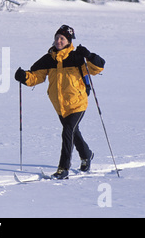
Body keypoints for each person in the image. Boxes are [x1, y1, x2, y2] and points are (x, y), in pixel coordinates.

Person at [15, 25, 105, 179]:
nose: (58, 41)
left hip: (78, 102)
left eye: (62, 38)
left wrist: (89, 55)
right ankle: (86, 155)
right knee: (73, 132)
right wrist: (24, 77)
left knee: (68, 131)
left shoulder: (77, 57)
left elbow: (98, 68)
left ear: (69, 41)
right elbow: (37, 76)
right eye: (57, 38)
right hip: (60, 106)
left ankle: (63, 168)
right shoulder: (49, 59)